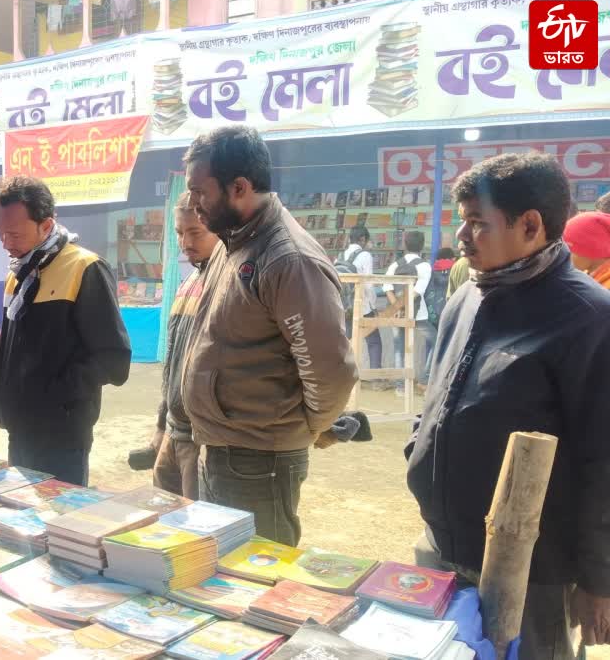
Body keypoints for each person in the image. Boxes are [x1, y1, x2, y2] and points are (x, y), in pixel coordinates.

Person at [406, 152, 610, 659]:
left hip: (536, 573)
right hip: (442, 547)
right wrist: (419, 448)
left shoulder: (589, 319)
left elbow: (603, 463)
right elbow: (438, 396)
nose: (462, 237)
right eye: (462, 222)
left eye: (478, 224)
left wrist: (598, 579)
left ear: (531, 225)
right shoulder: (468, 297)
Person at [180, 126, 357, 546]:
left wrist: (305, 429)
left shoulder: (288, 259)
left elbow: (331, 372)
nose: (193, 204)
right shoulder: (234, 241)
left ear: (239, 187)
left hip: (259, 461)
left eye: (199, 191)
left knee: (256, 582)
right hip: (224, 450)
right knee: (224, 575)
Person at [0, 175, 131, 485]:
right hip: (20, 429)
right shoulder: (18, 275)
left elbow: (114, 361)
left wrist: (52, 396)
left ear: (46, 225)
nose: (6, 243)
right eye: (0, 234)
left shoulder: (85, 268)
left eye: (14, 234)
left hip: (62, 435)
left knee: (61, 525)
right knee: (23, 522)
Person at [145, 192, 220, 499]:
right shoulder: (188, 284)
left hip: (204, 440)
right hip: (175, 433)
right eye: (179, 233)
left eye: (195, 232)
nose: (186, 242)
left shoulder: (227, 284)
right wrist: (161, 427)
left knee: (200, 533)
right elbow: (173, 367)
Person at [382, 231, 433, 390]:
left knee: (399, 348)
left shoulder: (395, 264)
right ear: (422, 245)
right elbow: (418, 291)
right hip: (418, 314)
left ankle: (400, 387)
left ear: (405, 245)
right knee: (437, 342)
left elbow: (387, 288)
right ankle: (424, 380)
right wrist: (405, 306)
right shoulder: (424, 265)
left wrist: (397, 306)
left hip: (396, 313)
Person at [338, 226, 383, 373]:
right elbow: (369, 285)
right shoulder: (365, 255)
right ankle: (376, 377)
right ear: (362, 239)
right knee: (374, 341)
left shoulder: (340, 256)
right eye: (367, 240)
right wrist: (373, 305)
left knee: (348, 343)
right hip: (363, 306)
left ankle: (346, 376)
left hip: (344, 307)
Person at [563, 211, 610, 289]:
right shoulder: (593, 277)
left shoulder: (605, 289)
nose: (562, 254)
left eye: (568, 248)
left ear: (594, 249)